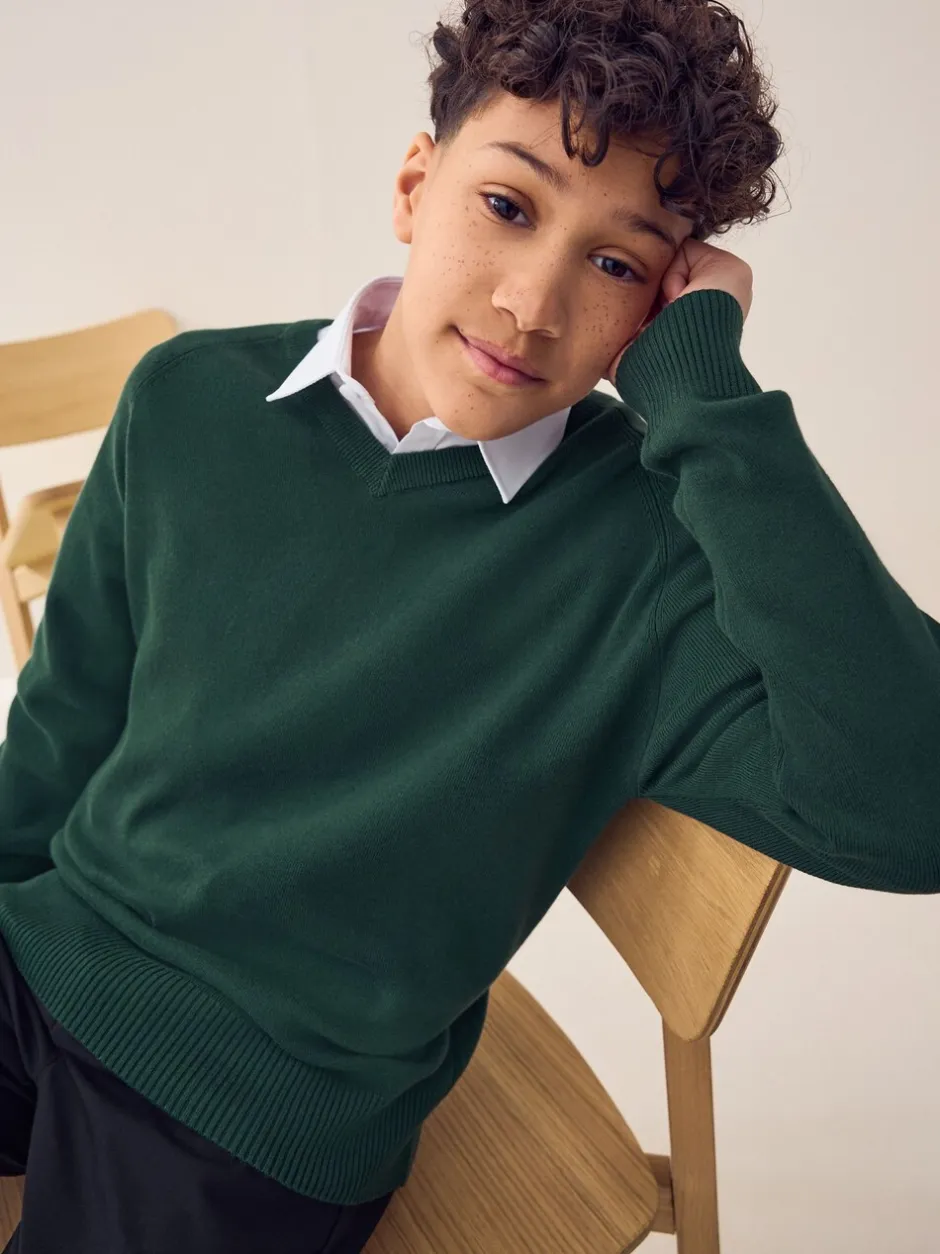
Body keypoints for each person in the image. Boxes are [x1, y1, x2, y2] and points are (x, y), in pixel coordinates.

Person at [2, 0, 938, 1250]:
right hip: (43, 954)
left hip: (250, 1109)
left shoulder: (654, 555)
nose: (531, 303)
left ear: (661, 306)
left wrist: (704, 392)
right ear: (415, 184)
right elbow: (60, 731)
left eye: (617, 265)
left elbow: (912, 805)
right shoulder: (191, 399)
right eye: (508, 204)